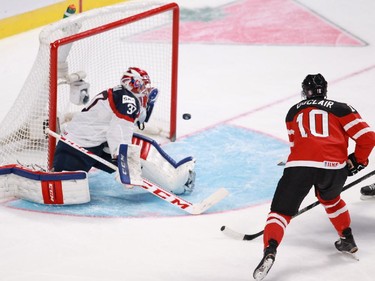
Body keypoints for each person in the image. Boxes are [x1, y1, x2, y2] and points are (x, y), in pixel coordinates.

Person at [253, 73, 375, 281]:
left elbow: (298, 144)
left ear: (305, 91)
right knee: (331, 199)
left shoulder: (293, 112)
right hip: (334, 168)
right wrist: (358, 160)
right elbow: (368, 138)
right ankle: (347, 239)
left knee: (280, 212)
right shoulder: (342, 108)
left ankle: (270, 250)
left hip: (299, 165)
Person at [53, 67, 195, 195]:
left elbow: (138, 118)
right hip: (76, 147)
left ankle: (172, 182)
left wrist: (149, 106)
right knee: (66, 188)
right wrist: (125, 164)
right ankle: (174, 185)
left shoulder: (122, 95)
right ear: (134, 84)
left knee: (138, 159)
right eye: (143, 85)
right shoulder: (127, 100)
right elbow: (118, 130)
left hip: (94, 143)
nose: (145, 90)